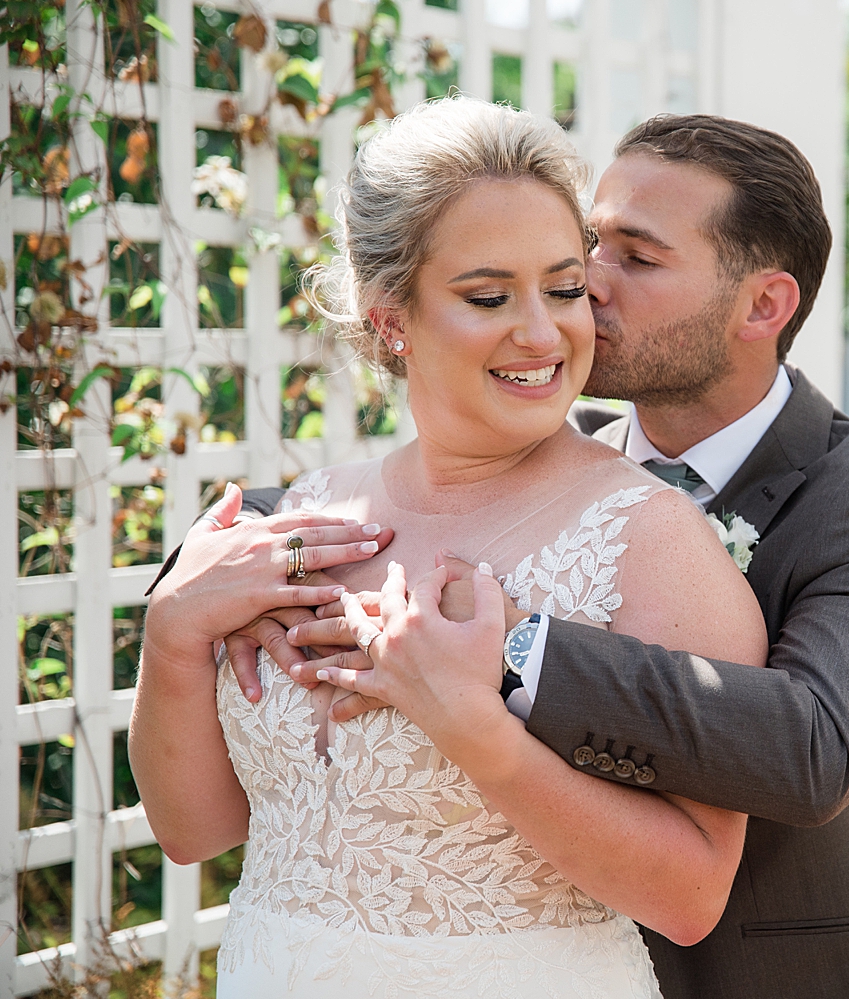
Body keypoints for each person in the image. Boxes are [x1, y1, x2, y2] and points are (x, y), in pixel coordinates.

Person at [246, 114, 849, 998]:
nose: (589, 281)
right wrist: (229, 561)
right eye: (593, 244)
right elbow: (388, 498)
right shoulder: (553, 444)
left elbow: (812, 748)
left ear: (763, 306)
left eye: (639, 256)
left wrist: (514, 647)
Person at [130, 97, 768, 999]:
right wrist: (172, 629)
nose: (544, 333)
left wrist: (473, 727)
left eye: (563, 288)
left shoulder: (647, 539)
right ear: (392, 318)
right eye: (488, 296)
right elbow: (195, 829)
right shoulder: (304, 518)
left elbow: (691, 893)